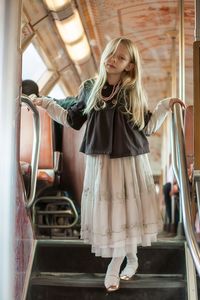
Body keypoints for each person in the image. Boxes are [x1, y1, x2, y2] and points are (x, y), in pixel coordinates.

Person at [32, 37, 185, 292]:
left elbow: (147, 127)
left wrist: (165, 106)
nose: (112, 59)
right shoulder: (90, 87)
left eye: (120, 57)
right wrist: (48, 104)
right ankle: (132, 258)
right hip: (101, 161)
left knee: (125, 212)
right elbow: (72, 120)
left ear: (129, 66)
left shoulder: (133, 92)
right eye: (111, 53)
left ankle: (115, 265)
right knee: (114, 214)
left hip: (128, 161)